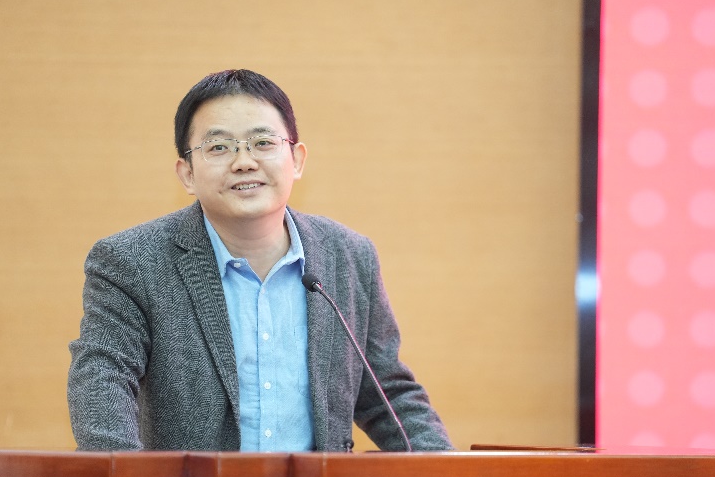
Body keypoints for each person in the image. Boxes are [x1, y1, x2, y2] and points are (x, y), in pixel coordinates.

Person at [67, 69, 453, 453]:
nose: (244, 162)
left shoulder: (349, 257)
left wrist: (448, 474)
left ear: (296, 160)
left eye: (262, 143)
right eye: (219, 147)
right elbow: (102, 384)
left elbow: (388, 395)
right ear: (187, 174)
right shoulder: (132, 263)